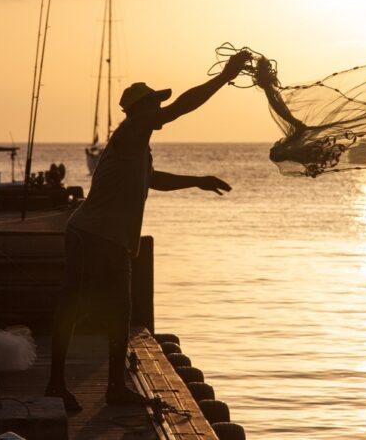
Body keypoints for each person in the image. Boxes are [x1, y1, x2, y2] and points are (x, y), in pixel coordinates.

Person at [45, 51, 254, 412]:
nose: (160, 110)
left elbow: (153, 179)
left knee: (119, 311)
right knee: (75, 306)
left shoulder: (138, 146)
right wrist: (225, 76)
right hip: (92, 234)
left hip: (108, 238)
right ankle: (57, 384)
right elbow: (181, 108)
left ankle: (114, 388)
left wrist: (197, 180)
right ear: (141, 109)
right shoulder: (131, 130)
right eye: (155, 104)